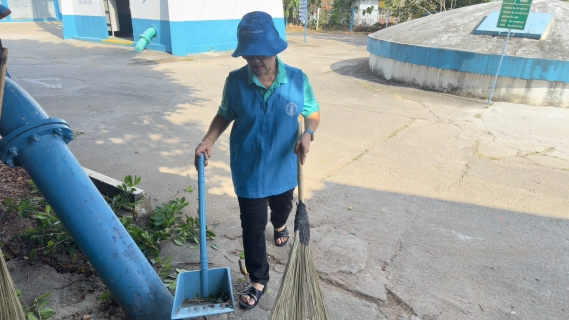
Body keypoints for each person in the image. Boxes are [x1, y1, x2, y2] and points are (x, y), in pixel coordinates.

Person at [194, 11, 320, 310]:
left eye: (262, 54)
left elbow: (312, 113)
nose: (256, 61)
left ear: (275, 49)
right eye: (249, 56)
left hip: (283, 166)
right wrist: (209, 139)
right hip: (248, 166)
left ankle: (279, 225)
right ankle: (258, 278)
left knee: (282, 208)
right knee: (252, 226)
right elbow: (225, 113)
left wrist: (308, 134)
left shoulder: (298, 80)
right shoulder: (235, 81)